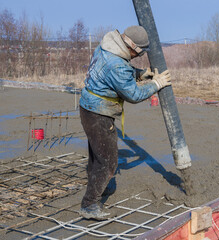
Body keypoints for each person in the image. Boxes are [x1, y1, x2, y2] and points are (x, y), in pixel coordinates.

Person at [78, 26, 171, 220]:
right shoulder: (117, 64)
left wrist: (139, 74)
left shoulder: (108, 45)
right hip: (99, 114)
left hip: (88, 108)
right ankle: (89, 205)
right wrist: (156, 84)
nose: (141, 55)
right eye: (141, 52)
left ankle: (98, 188)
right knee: (108, 162)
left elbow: (117, 71)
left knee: (97, 156)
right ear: (132, 47)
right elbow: (134, 95)